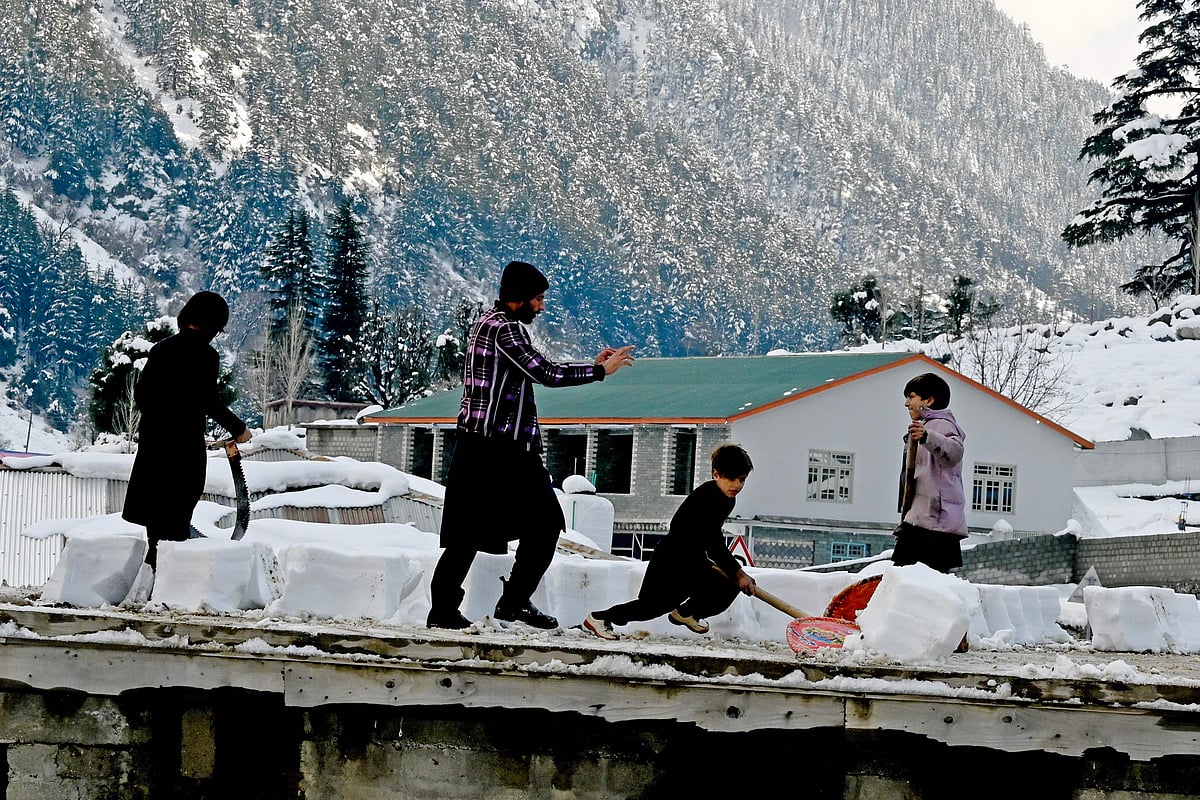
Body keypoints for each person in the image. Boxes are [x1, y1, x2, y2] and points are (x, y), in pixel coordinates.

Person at [426, 260, 636, 630]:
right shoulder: (505, 330)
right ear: (518, 299)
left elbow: (534, 369)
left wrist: (589, 365)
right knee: (545, 523)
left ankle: (446, 610)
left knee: (467, 535)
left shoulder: (486, 324)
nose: (541, 307)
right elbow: (545, 372)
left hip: (482, 446)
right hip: (502, 449)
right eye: (537, 299)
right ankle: (512, 602)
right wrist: (600, 371)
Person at [122, 291, 251, 570]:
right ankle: (167, 584)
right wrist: (238, 428)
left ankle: (150, 579)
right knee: (177, 523)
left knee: (156, 525)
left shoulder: (161, 349)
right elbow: (208, 401)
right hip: (183, 451)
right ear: (214, 326)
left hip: (153, 449)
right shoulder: (205, 356)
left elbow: (141, 397)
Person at [583, 443, 756, 641]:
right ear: (716, 474)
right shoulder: (708, 497)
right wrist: (738, 572)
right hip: (671, 559)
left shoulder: (726, 499)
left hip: (692, 559)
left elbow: (710, 539)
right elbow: (712, 541)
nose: (736, 485)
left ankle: (687, 613)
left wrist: (736, 573)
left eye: (741, 480)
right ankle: (600, 618)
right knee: (651, 606)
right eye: (730, 478)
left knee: (729, 584)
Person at [892, 372, 967, 573]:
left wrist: (927, 437)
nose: (907, 404)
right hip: (918, 519)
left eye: (911, 397)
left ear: (929, 400)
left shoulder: (943, 425)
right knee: (905, 578)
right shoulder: (921, 428)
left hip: (936, 523)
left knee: (913, 580)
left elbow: (955, 451)